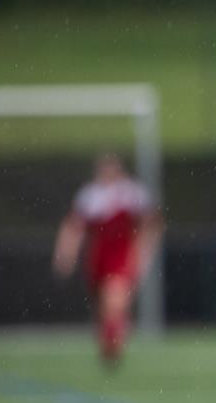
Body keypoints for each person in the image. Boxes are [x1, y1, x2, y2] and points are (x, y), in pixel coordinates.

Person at [51, 153, 163, 368]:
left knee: (115, 302)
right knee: (104, 309)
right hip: (98, 258)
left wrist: (145, 251)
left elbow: (152, 223)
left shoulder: (132, 194)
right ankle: (110, 342)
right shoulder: (91, 196)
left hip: (122, 256)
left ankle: (115, 345)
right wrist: (66, 254)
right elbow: (74, 227)